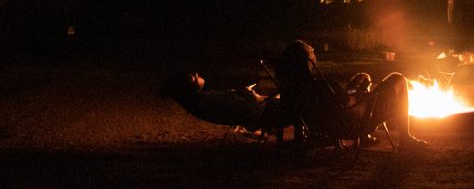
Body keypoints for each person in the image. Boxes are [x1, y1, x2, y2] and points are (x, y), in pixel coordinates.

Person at [275, 39, 427, 151]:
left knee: (363, 76)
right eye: (310, 51)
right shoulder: (324, 85)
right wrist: (363, 95)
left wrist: (352, 90)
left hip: (332, 126)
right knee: (398, 79)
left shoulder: (293, 88)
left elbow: (337, 104)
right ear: (307, 61)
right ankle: (405, 139)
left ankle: (366, 136)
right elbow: (355, 109)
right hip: (356, 124)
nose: (313, 51)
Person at [163, 72, 280, 135]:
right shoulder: (206, 98)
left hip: (254, 115)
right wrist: (247, 92)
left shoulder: (199, 101)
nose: (197, 74)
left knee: (278, 99)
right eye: (194, 77)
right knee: (286, 101)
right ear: (191, 87)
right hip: (259, 111)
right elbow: (242, 104)